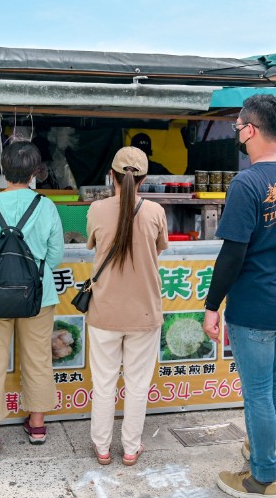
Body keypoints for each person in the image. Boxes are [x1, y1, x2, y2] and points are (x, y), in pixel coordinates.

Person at [202, 94, 276, 498]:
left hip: (254, 306)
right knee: (273, 385)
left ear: (250, 129)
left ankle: (263, 476)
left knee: (257, 393)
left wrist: (211, 305)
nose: (237, 133)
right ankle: (258, 446)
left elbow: (232, 253)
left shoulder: (247, 182)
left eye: (237, 127)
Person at [0, 141, 65, 458]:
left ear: (2, 169)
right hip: (38, 295)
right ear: (35, 172)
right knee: (38, 358)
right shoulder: (46, 206)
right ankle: (36, 426)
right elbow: (55, 256)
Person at [85, 147, 169, 467]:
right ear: (145, 178)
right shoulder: (155, 212)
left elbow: (91, 243)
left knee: (104, 383)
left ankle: (102, 447)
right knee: (137, 385)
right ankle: (131, 449)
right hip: (145, 311)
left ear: (112, 175)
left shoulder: (96, 209)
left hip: (104, 310)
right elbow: (160, 248)